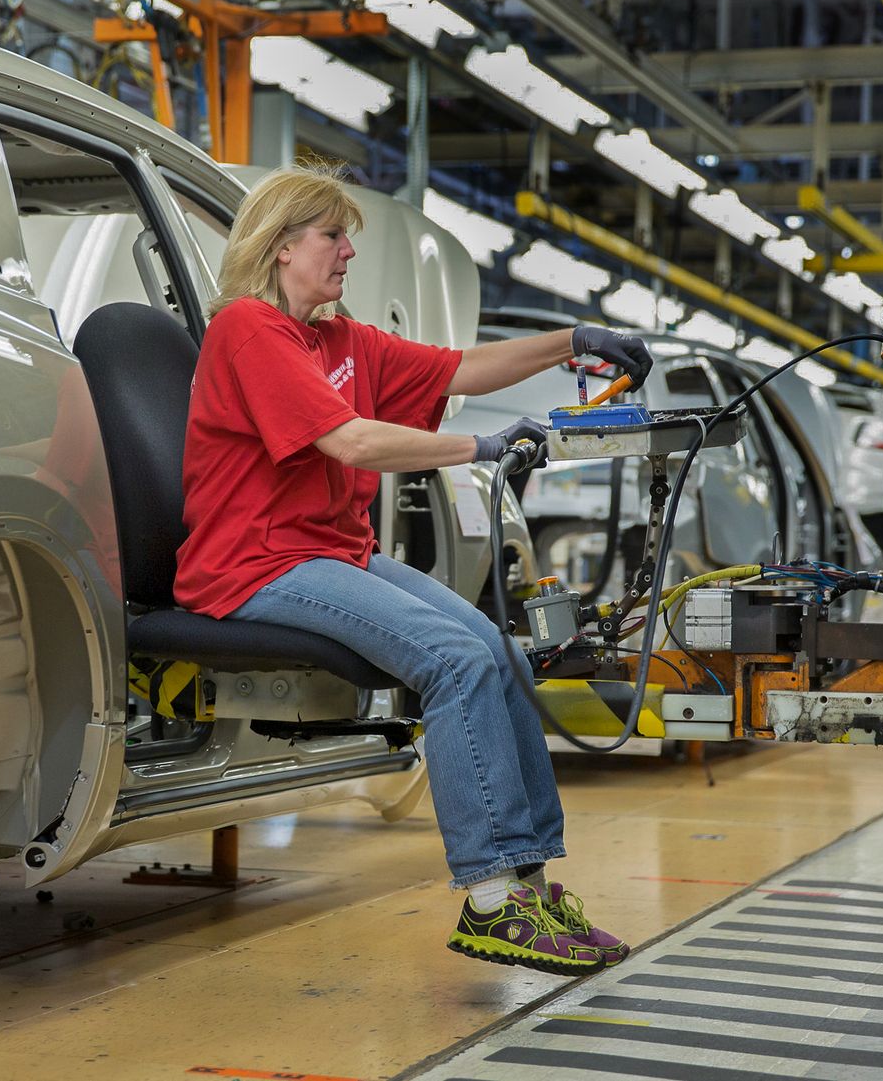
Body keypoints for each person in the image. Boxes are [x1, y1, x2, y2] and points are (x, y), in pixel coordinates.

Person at [176, 164, 653, 976]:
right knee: (455, 659)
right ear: (283, 245)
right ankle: (492, 898)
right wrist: (483, 445)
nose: (348, 251)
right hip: (253, 563)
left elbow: (458, 368)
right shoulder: (249, 330)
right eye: (333, 235)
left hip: (330, 550)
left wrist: (572, 342)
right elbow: (352, 441)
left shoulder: (342, 340)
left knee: (498, 650)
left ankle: (531, 886)